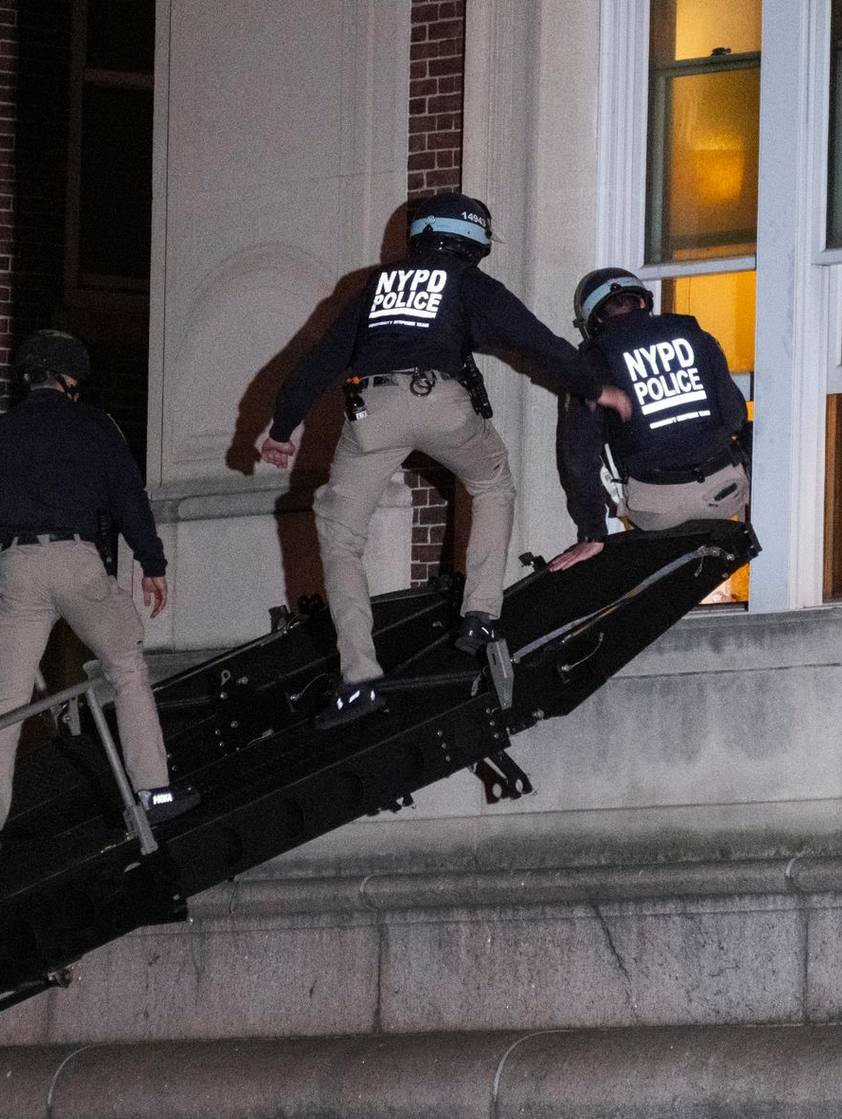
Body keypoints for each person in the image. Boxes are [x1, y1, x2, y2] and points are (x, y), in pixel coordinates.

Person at [260, 192, 632, 728]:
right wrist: (595, 388)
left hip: (372, 411)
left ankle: (360, 678)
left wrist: (280, 427)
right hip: (440, 401)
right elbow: (538, 342)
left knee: (340, 536)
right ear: (475, 240)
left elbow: (320, 358)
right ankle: (480, 614)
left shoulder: (374, 286)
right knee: (491, 483)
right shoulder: (466, 283)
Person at [0, 330, 199, 866]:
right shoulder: (94, 427)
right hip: (77, 558)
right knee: (126, 669)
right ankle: (153, 790)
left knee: (5, 700)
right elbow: (128, 499)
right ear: (71, 380)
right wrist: (152, 564)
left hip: (16, 565)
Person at [550, 268, 751, 572]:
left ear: (593, 321)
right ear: (645, 302)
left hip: (658, 510)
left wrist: (592, 532)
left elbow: (579, 458)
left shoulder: (592, 362)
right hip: (728, 494)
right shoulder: (697, 336)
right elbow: (736, 416)